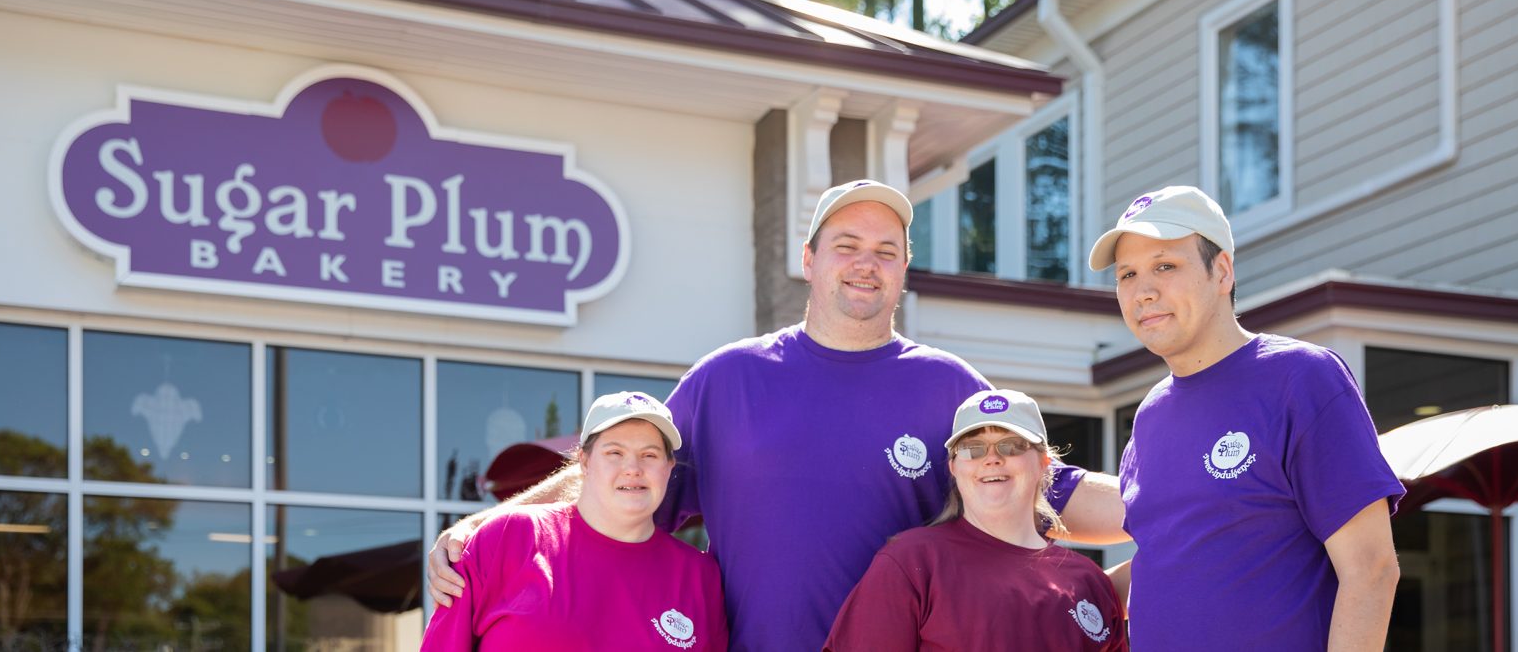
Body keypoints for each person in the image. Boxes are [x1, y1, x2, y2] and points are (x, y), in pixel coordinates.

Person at [430, 179, 1129, 650]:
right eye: (846, 246)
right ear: (809, 258)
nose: (866, 264)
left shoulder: (945, 386)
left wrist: (1179, 504)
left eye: (886, 252)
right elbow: (617, 476)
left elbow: (1052, 489)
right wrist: (479, 530)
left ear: (904, 269)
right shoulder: (729, 378)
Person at [1088, 185, 1403, 651]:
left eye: (1165, 266)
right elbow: (1174, 563)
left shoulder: (1301, 379)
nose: (1144, 292)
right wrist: (1052, 595)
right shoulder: (1151, 416)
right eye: (1127, 274)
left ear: (1222, 272)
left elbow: (1371, 569)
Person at [421, 391, 726, 651]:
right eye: (615, 452)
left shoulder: (701, 577)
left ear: (669, 466)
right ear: (584, 461)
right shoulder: (506, 537)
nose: (633, 468)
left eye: (649, 455)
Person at [825, 389, 1127, 651]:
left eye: (1011, 446)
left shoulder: (1088, 581)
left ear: (1043, 463)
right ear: (954, 466)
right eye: (972, 448)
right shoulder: (913, 562)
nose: (991, 458)